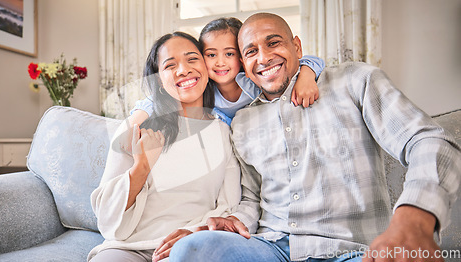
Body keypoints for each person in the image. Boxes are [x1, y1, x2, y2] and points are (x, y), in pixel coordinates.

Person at [168, 13, 461, 262]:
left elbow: (429, 140)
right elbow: (251, 200)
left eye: (273, 43)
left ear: (297, 46)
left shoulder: (355, 80)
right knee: (190, 250)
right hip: (273, 248)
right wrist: (233, 223)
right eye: (251, 51)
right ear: (244, 64)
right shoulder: (242, 121)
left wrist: (415, 216)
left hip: (352, 250)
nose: (264, 57)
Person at [87, 32, 241, 262]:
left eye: (192, 59)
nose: (183, 70)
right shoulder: (136, 127)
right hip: (128, 248)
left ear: (207, 68)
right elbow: (106, 216)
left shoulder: (223, 132)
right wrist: (142, 167)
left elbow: (228, 207)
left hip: (190, 245)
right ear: (159, 79)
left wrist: (193, 234)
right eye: (170, 65)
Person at [129, 17, 325, 127]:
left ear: (242, 57)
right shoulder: (203, 88)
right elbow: (159, 97)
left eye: (229, 53)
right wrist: (138, 117)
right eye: (211, 55)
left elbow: (312, 60)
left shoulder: (255, 81)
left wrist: (307, 74)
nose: (220, 63)